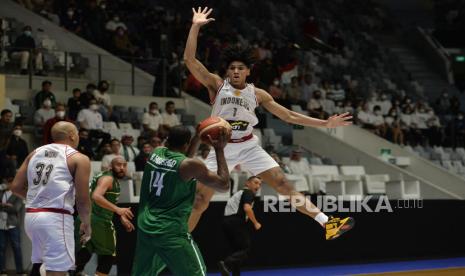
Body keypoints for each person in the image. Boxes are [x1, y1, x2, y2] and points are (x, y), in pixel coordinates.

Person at [184, 7, 354, 240]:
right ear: (227, 70)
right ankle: (178, 243)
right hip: (222, 149)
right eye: (232, 67)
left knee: (283, 184)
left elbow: (289, 116)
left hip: (248, 145)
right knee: (200, 200)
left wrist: (325, 123)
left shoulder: (258, 94)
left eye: (240, 68)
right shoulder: (216, 85)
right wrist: (195, 26)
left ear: (248, 71)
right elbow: (190, 60)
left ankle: (328, 223)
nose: (235, 71)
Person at [131, 126, 230, 275]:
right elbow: (224, 185)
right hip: (170, 230)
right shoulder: (191, 165)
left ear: (167, 140)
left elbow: (182, 160)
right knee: (197, 272)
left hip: (146, 225)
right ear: (186, 144)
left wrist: (197, 137)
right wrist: (219, 149)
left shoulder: (156, 152)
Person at [11, 121, 92, 276]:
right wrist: (86, 223)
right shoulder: (79, 158)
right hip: (55, 218)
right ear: (72, 135)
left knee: (42, 267)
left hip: (31, 217)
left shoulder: (34, 153)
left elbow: (15, 187)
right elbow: (82, 199)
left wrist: (38, 198)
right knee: (57, 271)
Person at [74, 156, 134, 276]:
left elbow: (105, 200)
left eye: (124, 165)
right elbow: (96, 196)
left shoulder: (105, 177)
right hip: (99, 221)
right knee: (109, 255)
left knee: (85, 252)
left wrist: (120, 215)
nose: (122, 168)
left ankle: (66, 271)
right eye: (118, 165)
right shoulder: (108, 178)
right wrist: (117, 210)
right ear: (111, 166)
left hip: (85, 218)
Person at [218, 176, 262, 276]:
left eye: (260, 184)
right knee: (244, 249)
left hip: (226, 222)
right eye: (256, 182)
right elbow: (247, 208)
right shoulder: (248, 192)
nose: (258, 186)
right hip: (236, 222)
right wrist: (255, 222)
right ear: (247, 183)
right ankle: (226, 264)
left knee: (236, 251)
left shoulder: (237, 194)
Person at [0, 176, 26, 276]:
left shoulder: (18, 195)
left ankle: (20, 271)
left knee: (17, 247)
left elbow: (16, 209)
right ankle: (2, 270)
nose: (6, 184)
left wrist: (3, 206)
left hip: (13, 225)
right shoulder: (1, 193)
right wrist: (7, 205)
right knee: (1, 248)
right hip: (1, 225)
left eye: (8, 182)